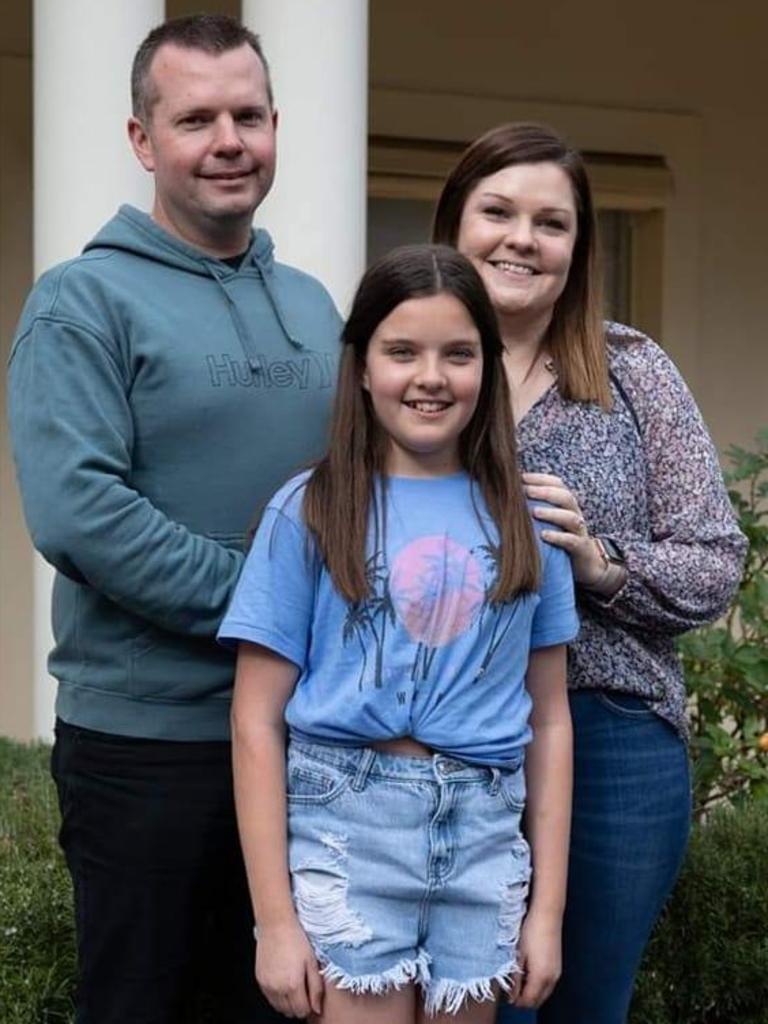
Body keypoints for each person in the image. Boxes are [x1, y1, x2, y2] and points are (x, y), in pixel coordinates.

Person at [8, 14, 341, 1024]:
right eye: (196, 118)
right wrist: (272, 606)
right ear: (143, 140)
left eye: (248, 113)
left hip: (310, 738)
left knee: (286, 1006)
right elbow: (81, 513)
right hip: (149, 745)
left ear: (277, 125)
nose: (228, 139)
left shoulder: (316, 303)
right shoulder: (81, 303)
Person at [431, 122, 747, 1024]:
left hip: (610, 732)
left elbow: (715, 564)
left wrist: (601, 565)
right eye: (496, 211)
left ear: (579, 246)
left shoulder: (631, 371)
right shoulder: (406, 364)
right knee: (471, 1006)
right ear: (453, 223)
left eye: (550, 222)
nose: (520, 239)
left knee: (580, 1004)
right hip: (441, 734)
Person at [218, 243, 580, 1023]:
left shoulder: (527, 519)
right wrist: (275, 923)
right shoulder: (311, 509)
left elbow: (549, 717)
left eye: (458, 353)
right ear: (360, 366)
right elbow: (254, 720)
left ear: (487, 367)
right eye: (402, 352)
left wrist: (545, 913)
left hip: (484, 835)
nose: (430, 377)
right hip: (348, 828)